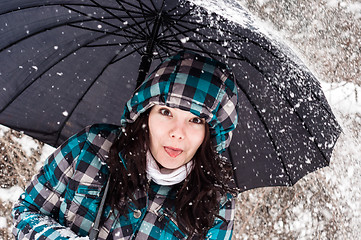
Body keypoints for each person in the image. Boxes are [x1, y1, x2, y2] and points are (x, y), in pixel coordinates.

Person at [12, 51, 239, 239]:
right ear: (145, 114)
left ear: (210, 134)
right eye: (166, 112)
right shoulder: (89, 147)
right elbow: (26, 213)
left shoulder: (215, 202)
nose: (177, 133)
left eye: (195, 120)